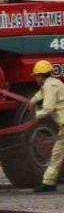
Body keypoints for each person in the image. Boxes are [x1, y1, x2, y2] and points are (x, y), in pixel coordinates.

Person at [31, 61, 64, 193]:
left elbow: (48, 108)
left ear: (40, 76)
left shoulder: (49, 86)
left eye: (35, 76)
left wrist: (36, 115)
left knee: (57, 154)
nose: (35, 79)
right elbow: (41, 94)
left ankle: (48, 183)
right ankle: (48, 182)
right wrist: (32, 100)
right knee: (57, 154)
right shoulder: (55, 83)